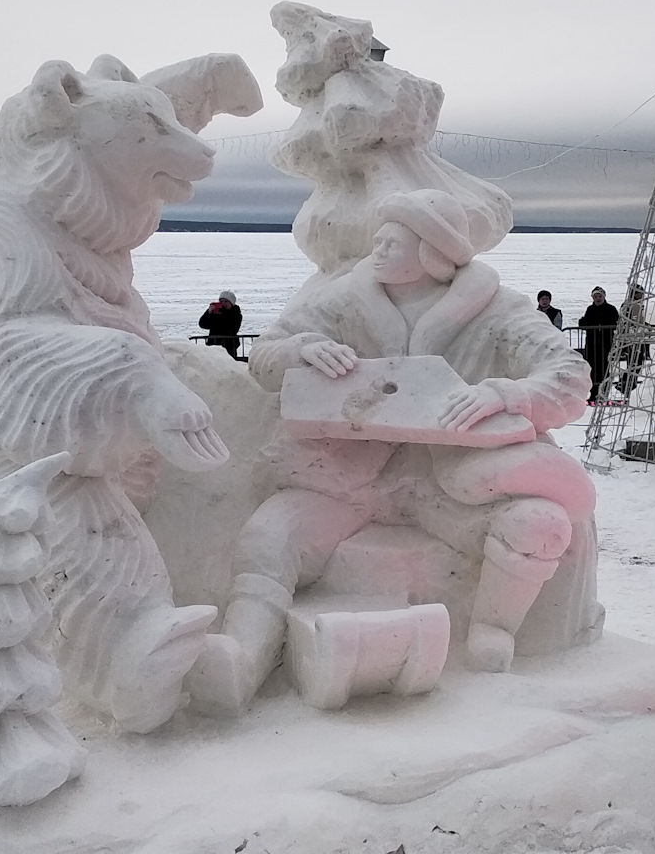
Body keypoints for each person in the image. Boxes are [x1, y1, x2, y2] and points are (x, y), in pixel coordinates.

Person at [187, 191, 594, 715]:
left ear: (432, 252)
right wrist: (301, 348)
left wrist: (507, 394)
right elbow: (264, 356)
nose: (376, 250)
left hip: (453, 480)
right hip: (348, 474)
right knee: (269, 536)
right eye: (377, 240)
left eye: (392, 243)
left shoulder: (498, 310)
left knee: (538, 525)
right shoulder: (342, 300)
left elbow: (570, 376)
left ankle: (493, 632)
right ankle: (241, 660)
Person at [576, 286, 619, 403]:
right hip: (592, 343)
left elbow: (617, 323)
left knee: (605, 368)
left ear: (604, 297)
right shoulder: (590, 309)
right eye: (595, 296)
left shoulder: (611, 309)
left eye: (600, 296)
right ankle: (593, 393)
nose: (598, 298)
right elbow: (584, 323)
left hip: (606, 343)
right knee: (592, 368)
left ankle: (604, 393)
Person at [198, 290, 244, 358]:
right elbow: (202, 324)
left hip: (229, 346)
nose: (223, 303)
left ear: (231, 303)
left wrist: (221, 314)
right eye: (221, 301)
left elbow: (232, 328)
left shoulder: (236, 313)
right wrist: (208, 313)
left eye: (226, 301)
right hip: (213, 345)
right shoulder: (215, 313)